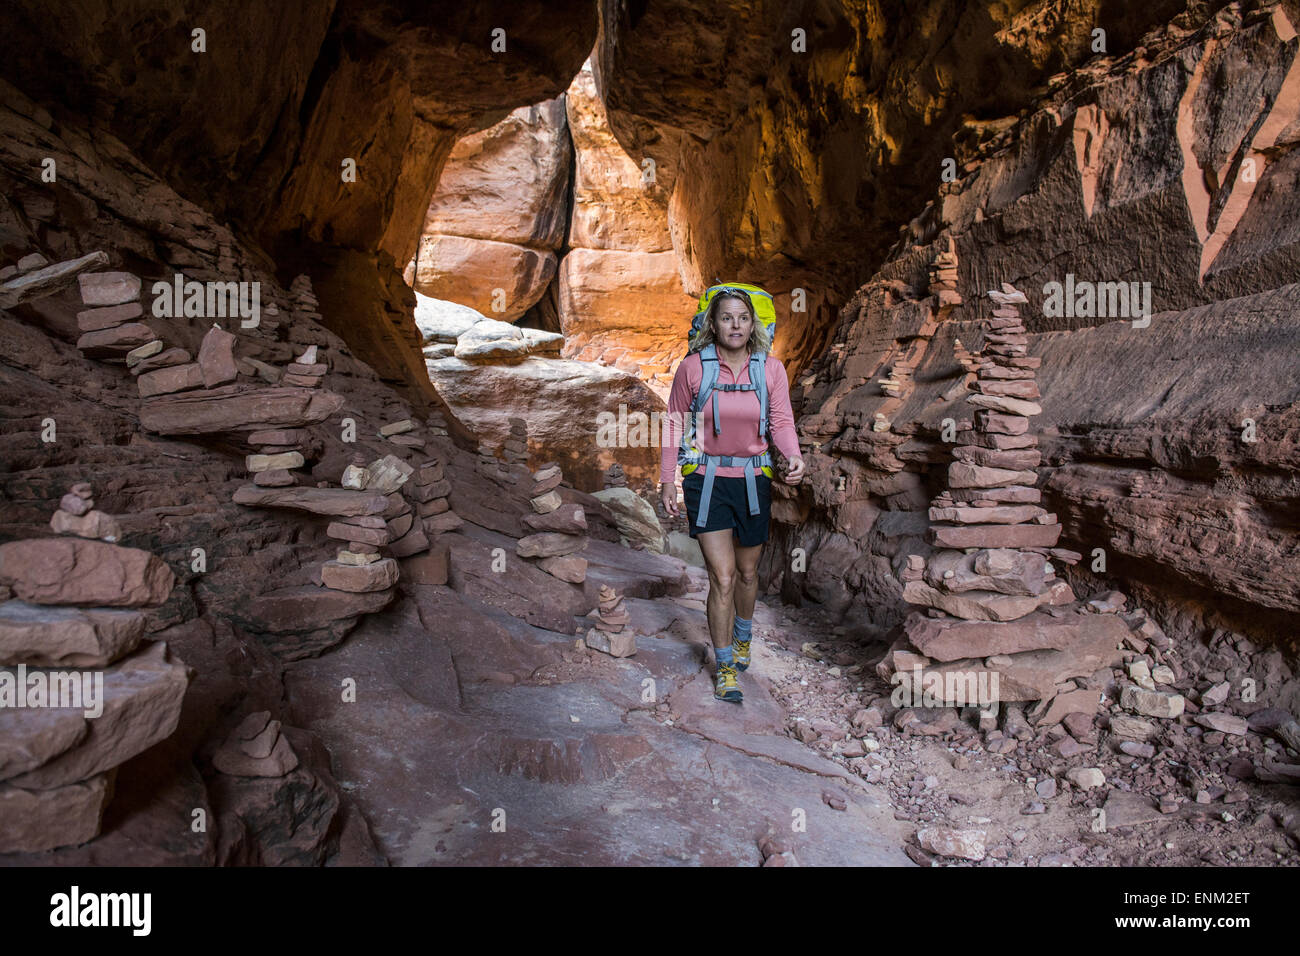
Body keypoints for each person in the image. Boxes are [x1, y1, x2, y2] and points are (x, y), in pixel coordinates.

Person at [659, 287, 804, 704]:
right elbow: (673, 424)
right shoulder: (693, 369)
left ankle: (743, 635)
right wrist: (668, 479)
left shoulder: (770, 371)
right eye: (726, 318)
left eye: (743, 318)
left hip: (752, 481)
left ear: (753, 324)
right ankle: (725, 666)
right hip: (705, 481)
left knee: (746, 573)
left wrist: (792, 456)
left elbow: (781, 422)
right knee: (721, 576)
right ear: (713, 323)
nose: (735, 325)